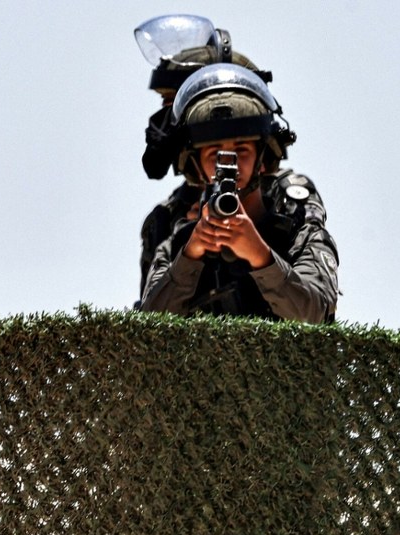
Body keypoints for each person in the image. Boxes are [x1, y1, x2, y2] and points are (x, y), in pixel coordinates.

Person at [139, 64, 339, 323]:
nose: (229, 162)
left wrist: (261, 256)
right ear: (195, 167)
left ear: (263, 158)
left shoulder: (300, 236)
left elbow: (314, 317)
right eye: (214, 153)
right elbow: (148, 334)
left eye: (242, 150)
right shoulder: (176, 246)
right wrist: (190, 257)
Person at [133, 15, 274, 298]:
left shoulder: (283, 200)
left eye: (177, 102)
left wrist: (258, 237)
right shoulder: (167, 217)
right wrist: (188, 247)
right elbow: (150, 324)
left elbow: (313, 305)